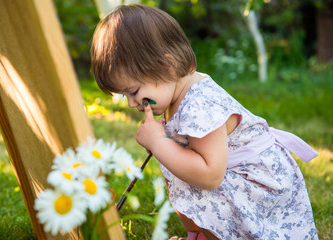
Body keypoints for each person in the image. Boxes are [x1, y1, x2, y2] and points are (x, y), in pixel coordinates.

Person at [90, 4, 319, 240]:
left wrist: (159, 143)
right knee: (178, 166)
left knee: (188, 176)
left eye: (133, 91)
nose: (131, 103)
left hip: (261, 189)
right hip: (238, 176)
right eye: (125, 95)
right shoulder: (176, 94)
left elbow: (210, 176)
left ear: (167, 66)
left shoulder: (200, 105)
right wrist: (165, 143)